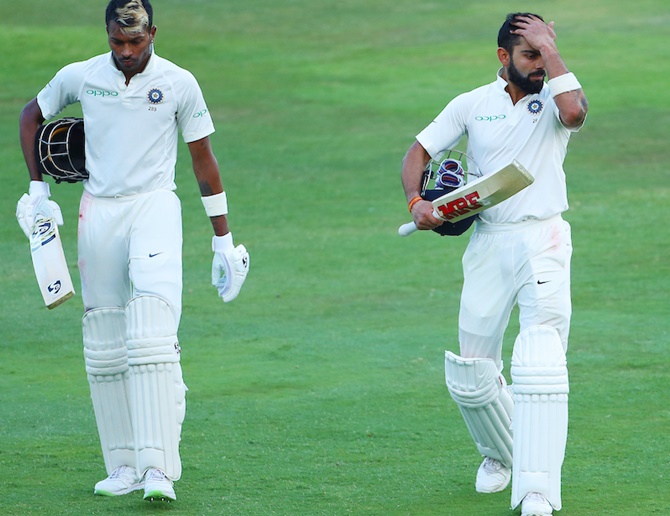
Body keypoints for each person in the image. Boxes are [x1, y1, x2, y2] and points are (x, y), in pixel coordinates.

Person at [16, 0, 249, 503]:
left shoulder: (180, 83)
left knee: (149, 335)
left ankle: (158, 469)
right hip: (97, 210)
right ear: (106, 35)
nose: (126, 52)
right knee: (103, 340)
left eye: (135, 42)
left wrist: (224, 239)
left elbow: (203, 160)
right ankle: (122, 466)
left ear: (153, 34)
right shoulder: (82, 75)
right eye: (117, 42)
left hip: (153, 207)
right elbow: (31, 115)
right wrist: (38, 192)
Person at [401, 13, 587, 516]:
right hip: (488, 240)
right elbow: (419, 149)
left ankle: (538, 491)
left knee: (541, 359)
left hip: (543, 235)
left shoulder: (553, 95)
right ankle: (500, 458)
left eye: (545, 52)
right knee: (473, 373)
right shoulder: (471, 104)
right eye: (530, 54)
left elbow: (574, 114)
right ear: (503, 57)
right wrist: (417, 202)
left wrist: (551, 50)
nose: (539, 64)